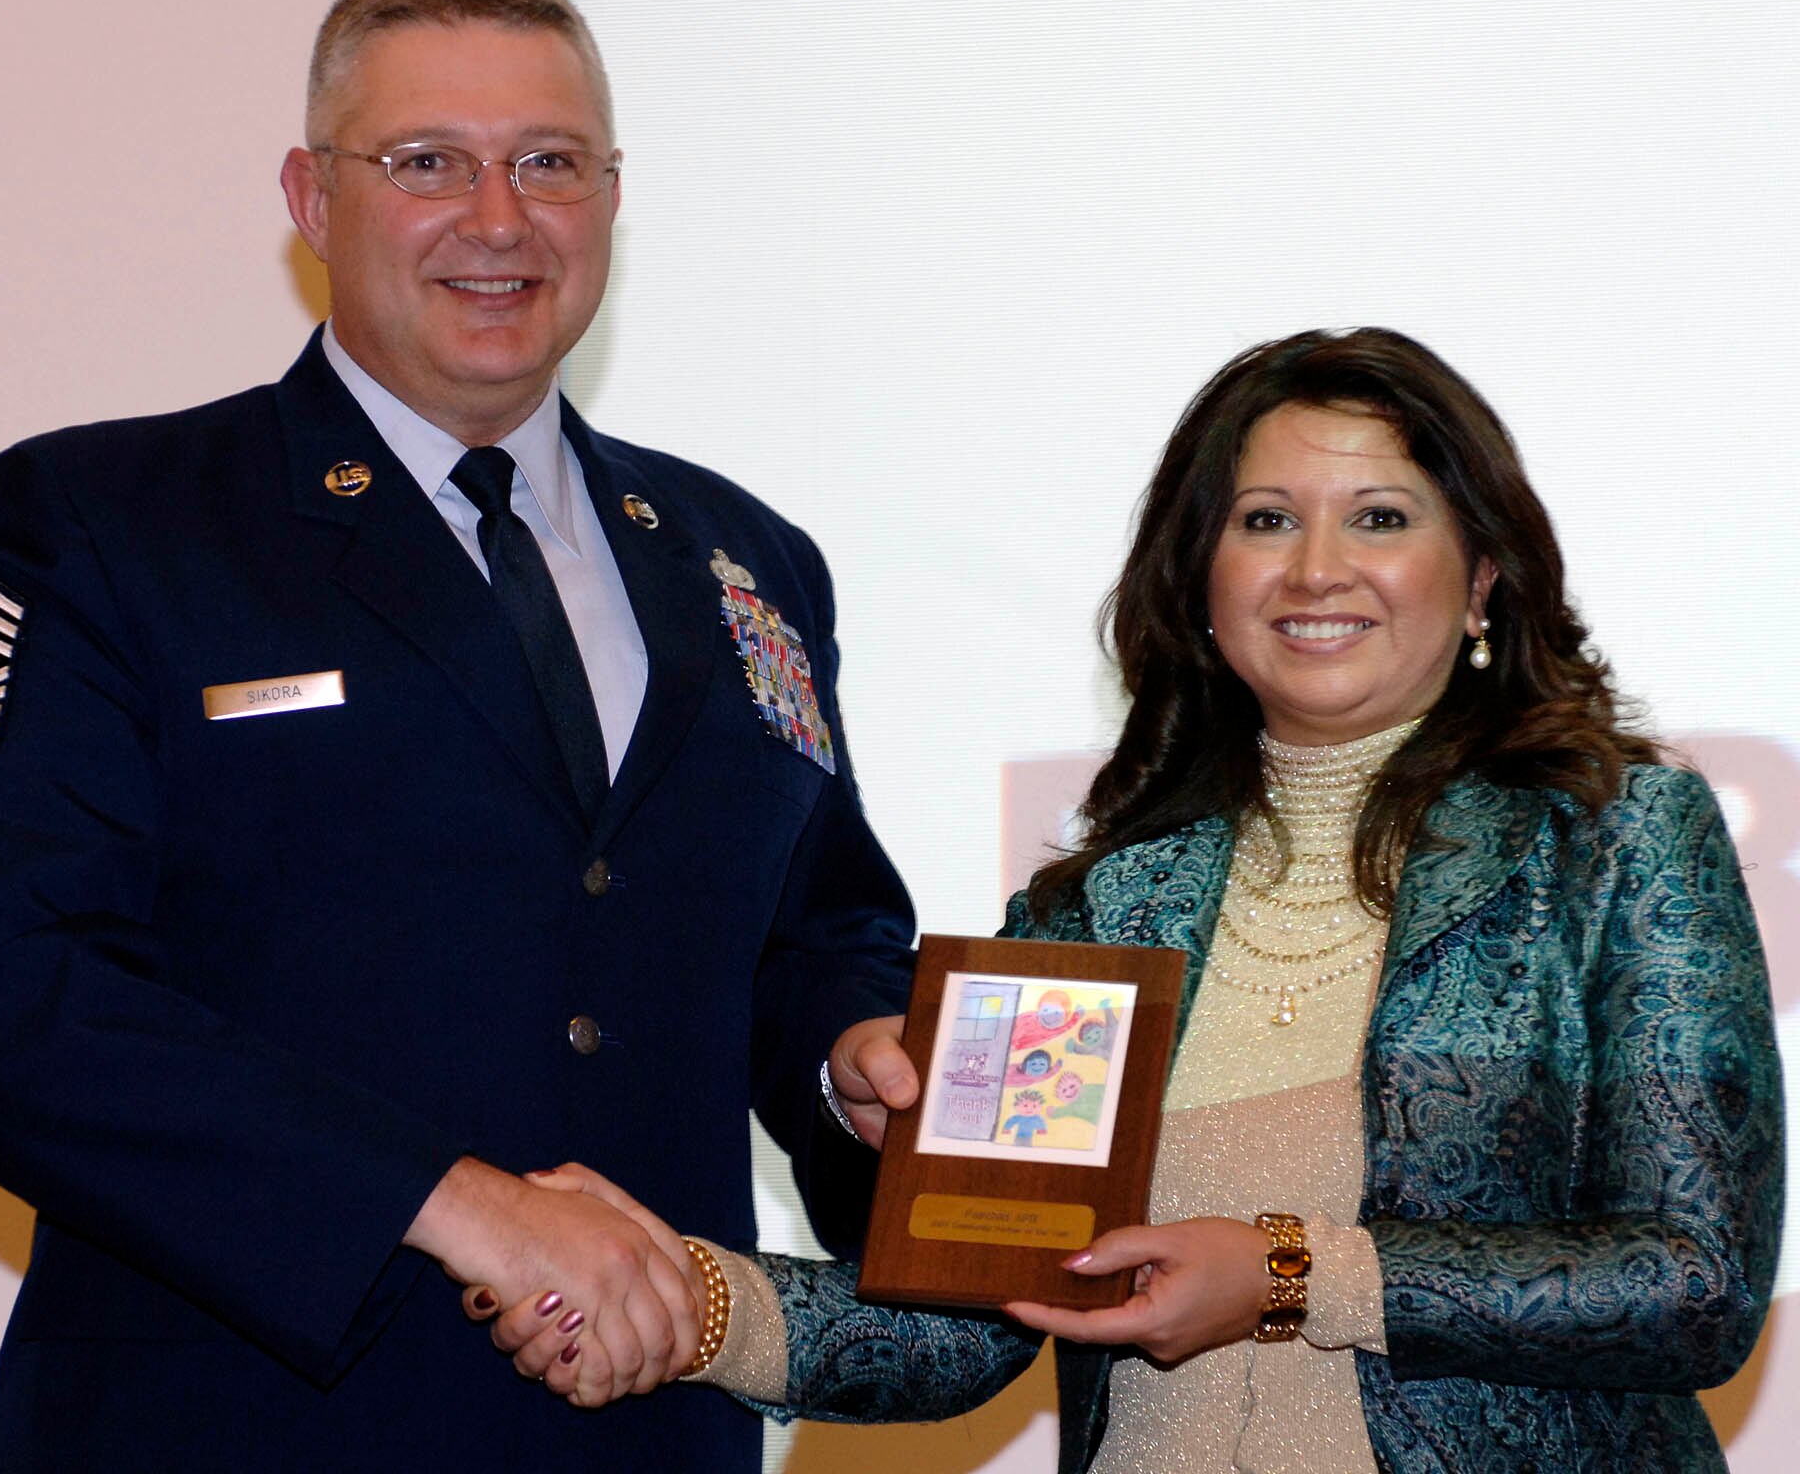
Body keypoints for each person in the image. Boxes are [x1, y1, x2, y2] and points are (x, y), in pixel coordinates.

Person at [0, 0, 914, 1472]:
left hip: (643, 1439)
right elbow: (14, 1000)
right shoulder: (111, 522)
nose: (498, 220)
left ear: (614, 202)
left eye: (550, 164)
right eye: (427, 161)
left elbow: (808, 939)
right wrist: (454, 1202)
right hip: (233, 1430)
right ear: (313, 201)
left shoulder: (741, 559)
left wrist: (857, 1067)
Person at [494, 328, 1784, 1473]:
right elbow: (966, 1326)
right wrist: (680, 1295)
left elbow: (1696, 1284)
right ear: (1201, 580)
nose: (1317, 570)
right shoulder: (1099, 908)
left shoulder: (1617, 843)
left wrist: (1286, 1277)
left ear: (1485, 575)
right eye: (1265, 520)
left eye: (1381, 519)